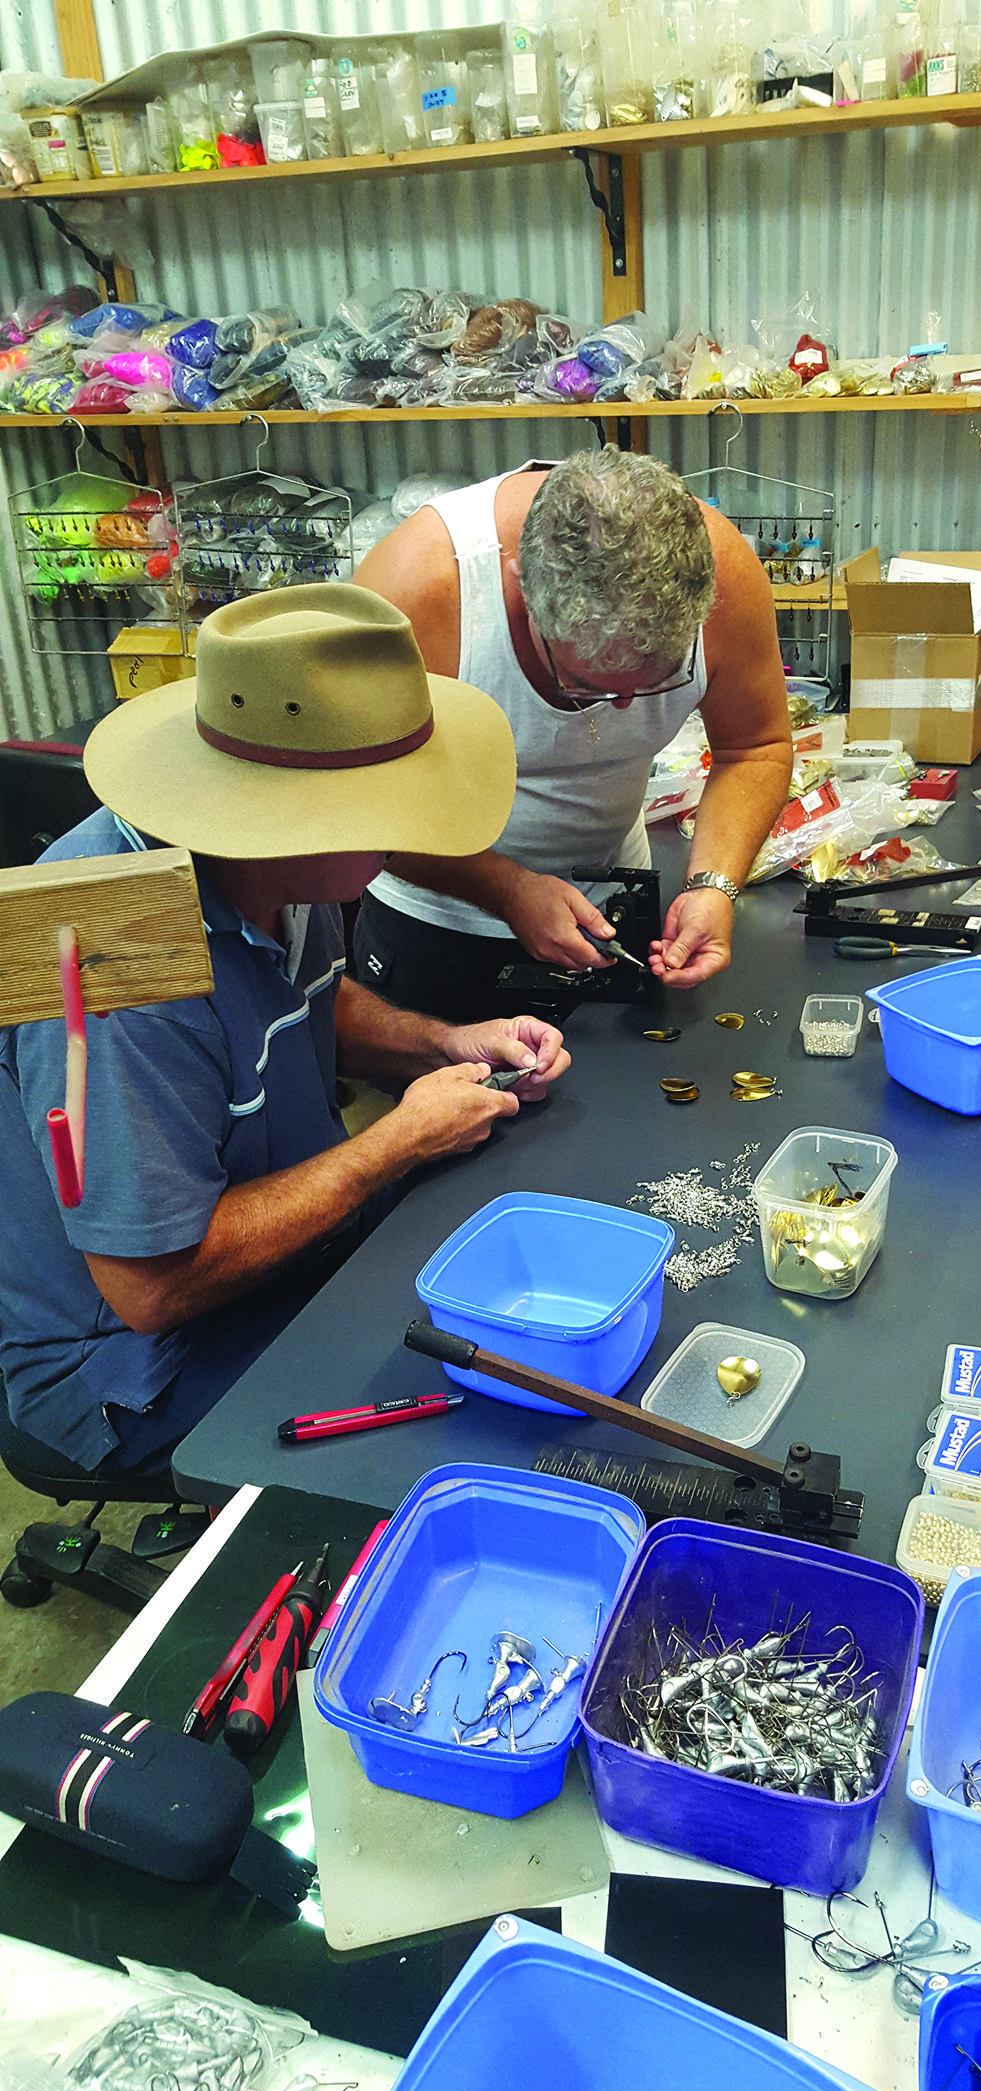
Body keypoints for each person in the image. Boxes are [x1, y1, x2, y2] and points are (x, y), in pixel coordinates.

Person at [0, 584, 569, 1473]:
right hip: (136, 1367)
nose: (410, 832)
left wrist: (442, 1043)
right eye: (389, 805)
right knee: (498, 1432)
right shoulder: (115, 959)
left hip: (293, 1248)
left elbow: (300, 1000)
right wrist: (396, 1143)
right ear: (285, 811)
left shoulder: (279, 866)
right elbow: (152, 1288)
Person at [352, 447, 794, 1023]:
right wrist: (506, 891)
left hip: (612, 914)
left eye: (660, 680)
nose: (626, 708)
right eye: (589, 686)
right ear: (523, 589)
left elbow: (753, 749)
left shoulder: (722, 572)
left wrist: (713, 884)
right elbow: (361, 809)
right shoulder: (417, 591)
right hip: (439, 924)